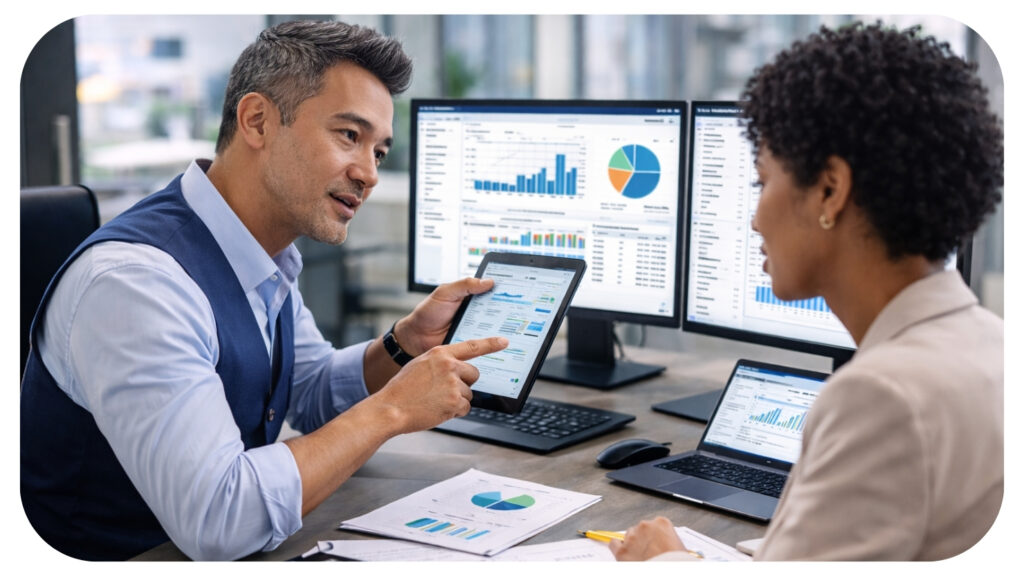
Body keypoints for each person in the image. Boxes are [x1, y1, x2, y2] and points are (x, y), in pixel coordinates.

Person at [20, 19, 508, 561]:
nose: (368, 173)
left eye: (380, 152)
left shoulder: (258, 253)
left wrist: (402, 346)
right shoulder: (138, 285)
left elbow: (312, 391)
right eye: (349, 136)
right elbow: (221, 518)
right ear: (257, 121)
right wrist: (392, 410)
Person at [610, 22, 1003, 562]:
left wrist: (667, 562)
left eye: (761, 181)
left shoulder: (880, 397)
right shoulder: (992, 344)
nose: (754, 219)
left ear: (830, 190)